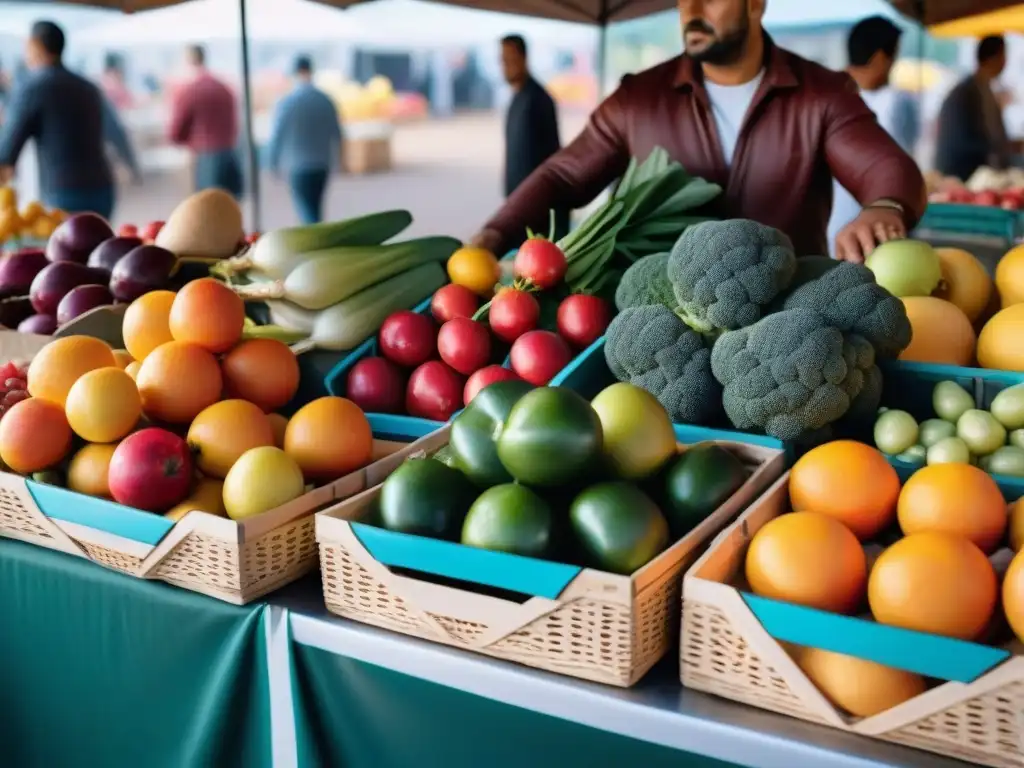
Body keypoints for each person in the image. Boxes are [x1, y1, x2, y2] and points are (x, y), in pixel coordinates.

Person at [471, 0, 926, 264]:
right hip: (662, 330)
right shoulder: (638, 98)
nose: (691, 11)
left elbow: (885, 165)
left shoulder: (821, 94)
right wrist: (493, 235)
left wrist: (884, 206)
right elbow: (564, 177)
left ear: (755, 3)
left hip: (790, 328)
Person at [0, 20, 139, 219]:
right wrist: (133, 168)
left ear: (35, 45)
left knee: (66, 248)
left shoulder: (32, 88)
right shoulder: (88, 87)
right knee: (101, 247)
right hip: (103, 189)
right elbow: (116, 131)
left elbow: (7, 150)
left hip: (63, 194)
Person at [828, 16, 920, 258]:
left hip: (826, 235)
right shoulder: (895, 102)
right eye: (894, 57)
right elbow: (901, 164)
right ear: (881, 58)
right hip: (874, 235)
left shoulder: (821, 96)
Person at [500, 35, 567, 239]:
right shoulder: (517, 98)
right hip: (518, 203)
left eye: (510, 59)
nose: (506, 66)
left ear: (524, 58)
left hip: (538, 208)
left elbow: (552, 156)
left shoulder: (539, 99)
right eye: (502, 60)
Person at [266, 55, 342, 224]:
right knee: (316, 208)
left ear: (295, 72)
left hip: (297, 166)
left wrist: (272, 164)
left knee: (306, 212)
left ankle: (317, 244)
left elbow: (277, 136)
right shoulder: (326, 100)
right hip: (322, 164)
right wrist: (339, 162)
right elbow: (337, 134)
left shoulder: (287, 102)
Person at [935, 35, 1021, 181]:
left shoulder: (984, 89)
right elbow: (963, 142)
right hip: (960, 175)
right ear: (994, 57)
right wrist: (1005, 146)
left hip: (976, 175)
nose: (1005, 62)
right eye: (1003, 56)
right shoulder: (965, 93)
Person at [168, 44, 242, 198]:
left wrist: (181, 141)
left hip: (206, 157)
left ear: (189, 61)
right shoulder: (224, 87)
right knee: (229, 206)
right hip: (230, 153)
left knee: (207, 207)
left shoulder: (192, 89)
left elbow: (177, 130)